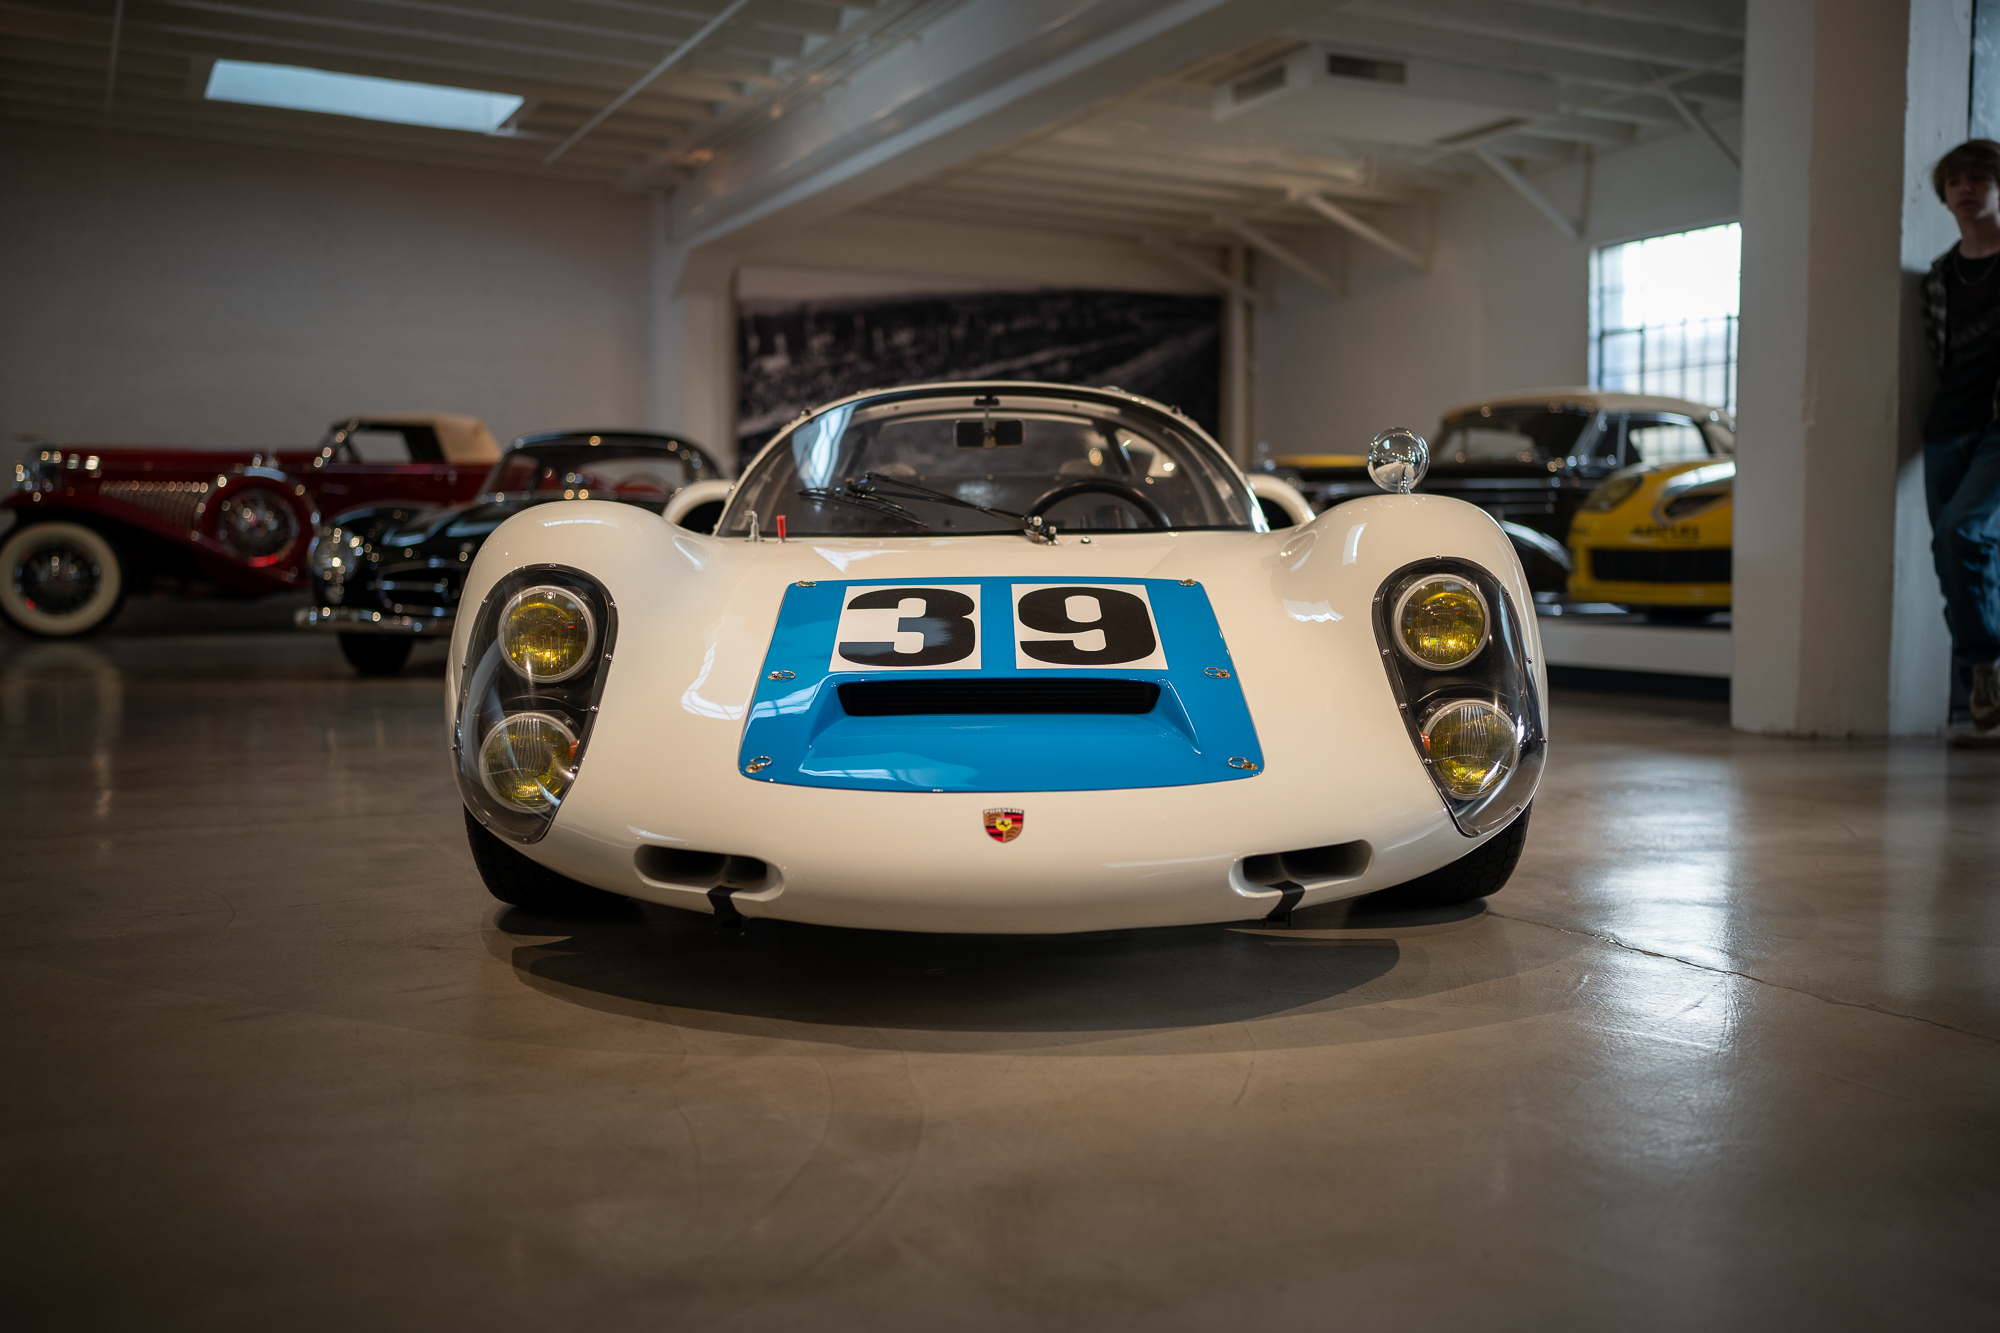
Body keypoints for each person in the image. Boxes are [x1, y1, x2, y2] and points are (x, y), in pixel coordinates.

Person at [1924, 140, 2000, 741]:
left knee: (1963, 532)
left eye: (1978, 178)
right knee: (1949, 556)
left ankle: (1984, 664)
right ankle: (1979, 686)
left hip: (1998, 430)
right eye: (1955, 181)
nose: (1965, 189)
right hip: (1946, 430)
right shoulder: (1940, 276)